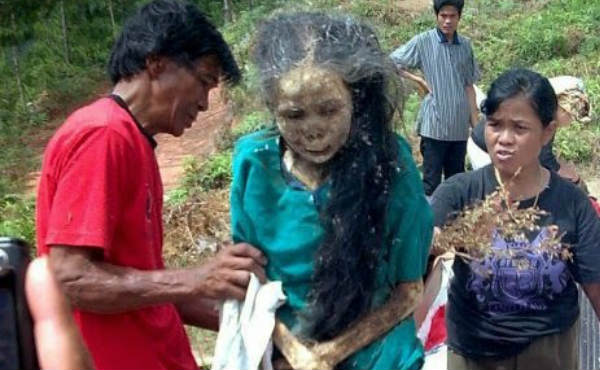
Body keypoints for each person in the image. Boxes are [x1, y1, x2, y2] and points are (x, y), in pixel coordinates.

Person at [35, 1, 267, 369]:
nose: (206, 104)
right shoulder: (103, 135)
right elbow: (69, 278)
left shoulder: (134, 143)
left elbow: (146, 287)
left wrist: (260, 327)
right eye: (204, 81)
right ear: (157, 62)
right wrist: (195, 279)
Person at [230, 12, 433, 370]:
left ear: (355, 99)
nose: (313, 130)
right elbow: (250, 280)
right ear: (273, 110)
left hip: (382, 359)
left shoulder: (390, 160)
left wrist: (329, 355)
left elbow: (409, 289)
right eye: (294, 115)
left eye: (329, 110)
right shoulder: (254, 163)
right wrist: (292, 351)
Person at [430, 68, 600, 370]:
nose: (504, 139)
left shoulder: (570, 203)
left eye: (519, 128)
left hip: (549, 351)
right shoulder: (460, 193)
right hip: (474, 350)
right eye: (495, 125)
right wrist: (430, 241)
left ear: (547, 132)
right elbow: (425, 241)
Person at [390, 0, 481, 196]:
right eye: (443, 16)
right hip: (434, 126)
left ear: (459, 17)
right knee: (431, 182)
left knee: (456, 181)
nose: (447, 21)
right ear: (437, 16)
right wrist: (418, 80)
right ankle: (428, 225)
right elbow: (391, 62)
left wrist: (476, 125)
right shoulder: (423, 41)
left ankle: (454, 225)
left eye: (452, 16)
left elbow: (469, 86)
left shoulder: (465, 46)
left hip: (458, 127)